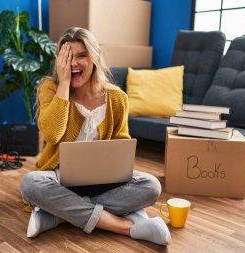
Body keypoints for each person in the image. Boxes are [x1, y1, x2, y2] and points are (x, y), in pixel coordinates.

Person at [20, 27, 171, 246]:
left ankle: (57, 215)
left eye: (81, 55)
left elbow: (121, 142)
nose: (73, 64)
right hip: (60, 179)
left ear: (94, 58)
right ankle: (126, 226)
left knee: (151, 185)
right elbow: (52, 134)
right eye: (67, 57)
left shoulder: (116, 98)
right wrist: (63, 84)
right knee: (29, 183)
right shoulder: (50, 88)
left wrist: (115, 162)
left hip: (104, 180)